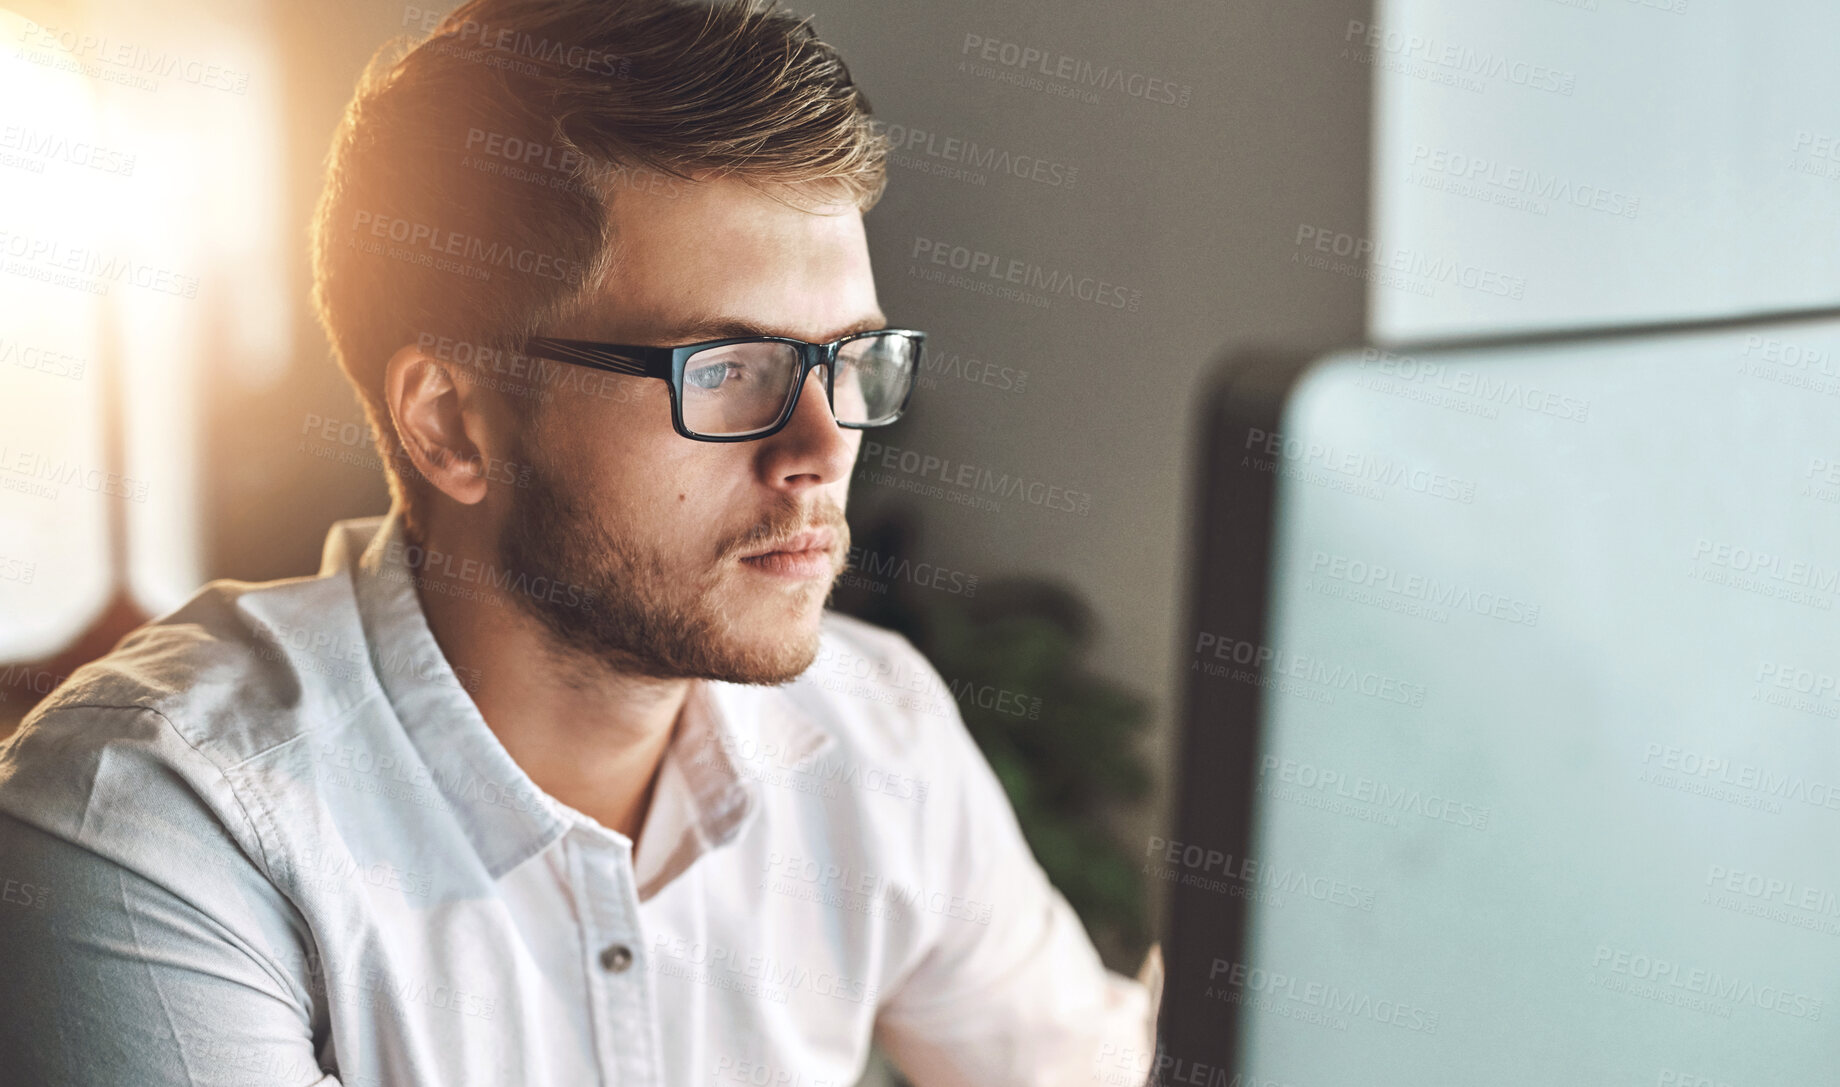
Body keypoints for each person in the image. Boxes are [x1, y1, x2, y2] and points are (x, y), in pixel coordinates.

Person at [0, 1, 1159, 1083]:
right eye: (727, 369)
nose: (821, 443)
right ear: (453, 424)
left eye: (848, 360)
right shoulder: (154, 819)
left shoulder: (875, 732)